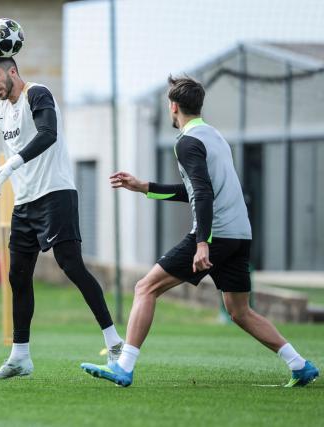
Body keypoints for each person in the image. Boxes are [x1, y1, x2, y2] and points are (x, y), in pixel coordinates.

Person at [81, 75, 319, 388]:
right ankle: (299, 365)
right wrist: (145, 188)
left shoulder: (186, 142)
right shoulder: (214, 136)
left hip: (215, 234)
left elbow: (203, 193)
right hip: (239, 234)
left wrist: (202, 243)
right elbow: (197, 190)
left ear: (173, 106)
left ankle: (124, 366)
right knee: (240, 311)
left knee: (145, 288)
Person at [0, 53, 123, 381]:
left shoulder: (37, 94)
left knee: (71, 265)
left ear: (12, 71)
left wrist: (10, 165)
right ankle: (20, 357)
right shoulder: (0, 111)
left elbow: (47, 133)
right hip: (24, 204)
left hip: (56, 194)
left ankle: (115, 343)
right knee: (17, 277)